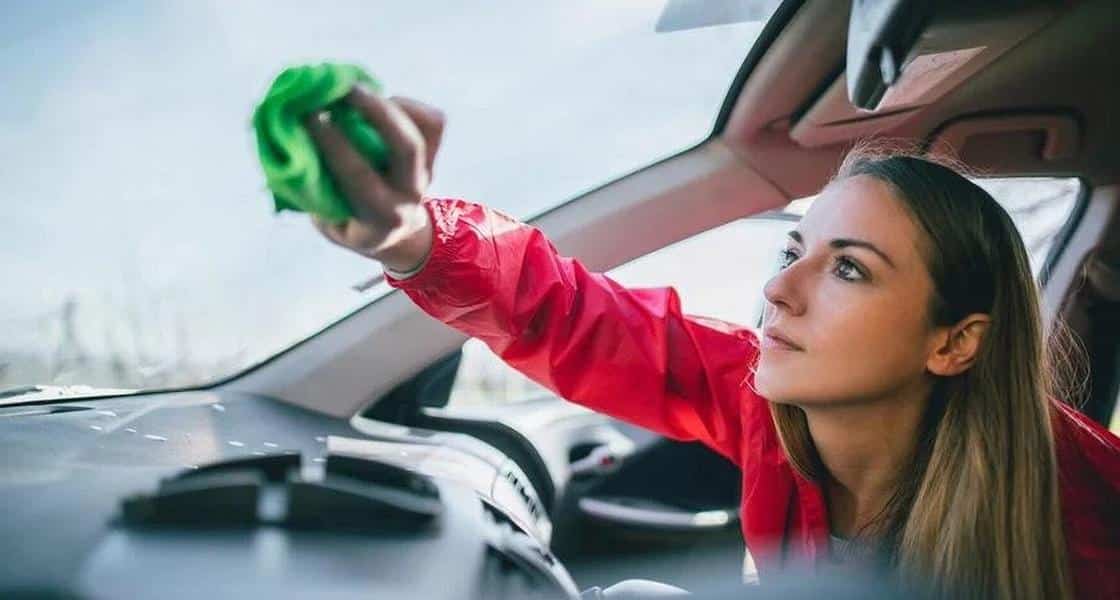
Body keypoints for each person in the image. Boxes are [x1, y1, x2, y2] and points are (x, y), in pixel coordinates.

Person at [303, 87, 1120, 599]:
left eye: (851, 271)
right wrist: (409, 235)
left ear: (956, 342)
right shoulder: (760, 403)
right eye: (793, 253)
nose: (777, 290)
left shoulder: (1085, 505)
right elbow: (578, 318)